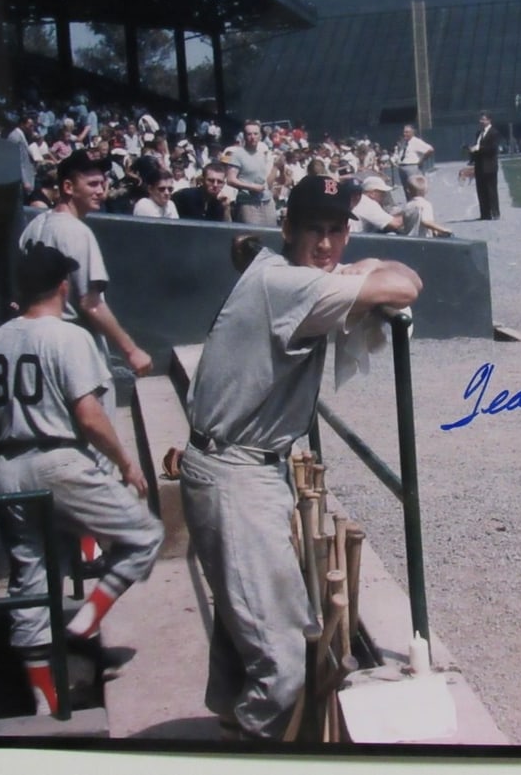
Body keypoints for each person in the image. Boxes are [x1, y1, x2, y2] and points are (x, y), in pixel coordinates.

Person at [179, 174, 423, 741]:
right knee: (284, 660)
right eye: (314, 230)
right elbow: (407, 286)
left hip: (239, 468)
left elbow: (391, 280)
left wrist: (349, 271)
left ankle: (234, 730)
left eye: (337, 232)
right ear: (286, 228)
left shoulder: (278, 271)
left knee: (246, 644)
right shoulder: (287, 284)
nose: (325, 245)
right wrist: (363, 269)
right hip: (235, 476)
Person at [0, 243, 163, 715]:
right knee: (143, 535)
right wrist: (125, 462)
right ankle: (87, 621)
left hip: (9, 465)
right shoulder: (68, 336)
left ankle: (45, 702)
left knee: (33, 578)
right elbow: (89, 415)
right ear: (62, 286)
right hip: (57, 458)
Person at [19, 149, 153, 445]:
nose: (101, 190)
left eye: (103, 183)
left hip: (37, 347)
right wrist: (131, 350)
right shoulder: (77, 232)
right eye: (92, 184)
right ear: (68, 187)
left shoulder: (32, 228)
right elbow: (91, 303)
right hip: (76, 350)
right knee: (95, 445)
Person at [225, 120, 277, 227]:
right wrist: (251, 187)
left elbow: (265, 181)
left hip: (266, 201)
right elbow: (230, 179)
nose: (252, 137)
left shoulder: (262, 154)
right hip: (248, 203)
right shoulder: (238, 155)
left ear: (260, 136)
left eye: (255, 134)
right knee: (252, 236)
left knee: (271, 234)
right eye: (249, 134)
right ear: (244, 136)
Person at [467, 111, 500, 221]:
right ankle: (485, 213)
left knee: (491, 190)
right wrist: (472, 151)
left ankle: (495, 212)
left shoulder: (493, 133)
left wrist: (479, 149)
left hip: (490, 166)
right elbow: (477, 147)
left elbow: (493, 149)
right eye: (480, 119)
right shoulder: (479, 133)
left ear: (489, 120)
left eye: (483, 119)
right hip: (480, 165)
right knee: (481, 190)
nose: (481, 121)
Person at [394, 124, 433, 200]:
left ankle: (418, 206)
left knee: (415, 188)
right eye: (404, 132)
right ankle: (410, 206)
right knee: (407, 190)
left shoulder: (416, 142)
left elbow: (430, 149)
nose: (405, 134)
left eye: (407, 132)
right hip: (402, 167)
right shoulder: (404, 142)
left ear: (412, 132)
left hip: (412, 167)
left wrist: (421, 160)